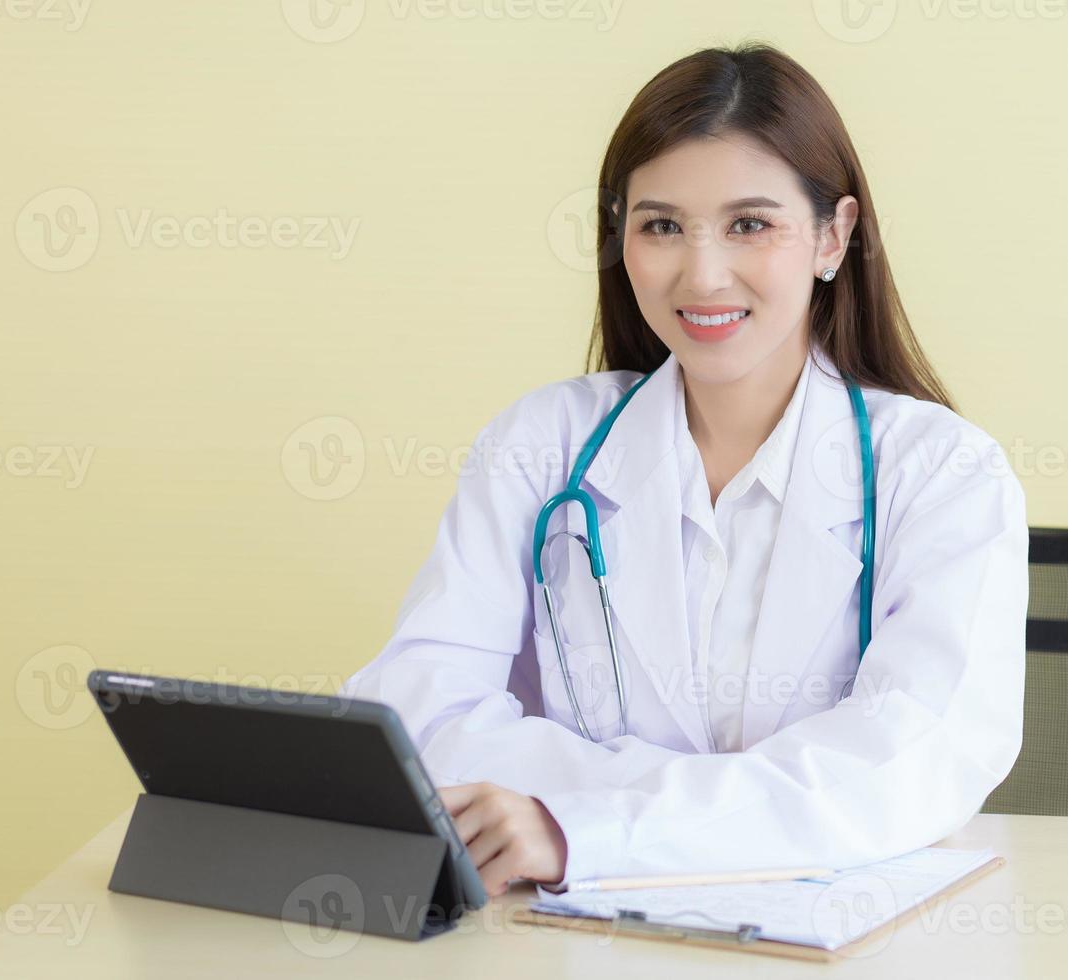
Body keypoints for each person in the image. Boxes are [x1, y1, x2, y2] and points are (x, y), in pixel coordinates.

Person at [341, 42, 1028, 898]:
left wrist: (581, 826)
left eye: (750, 224)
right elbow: (418, 713)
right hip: (563, 940)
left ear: (832, 236)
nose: (701, 274)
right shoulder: (540, 445)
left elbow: (915, 760)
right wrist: (735, 809)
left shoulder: (942, 474)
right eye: (661, 225)